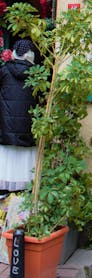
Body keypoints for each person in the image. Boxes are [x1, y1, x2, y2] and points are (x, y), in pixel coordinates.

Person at [0, 38, 38, 193]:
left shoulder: (4, 71)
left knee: (6, 163)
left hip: (6, 126)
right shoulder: (36, 74)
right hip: (27, 128)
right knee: (25, 166)